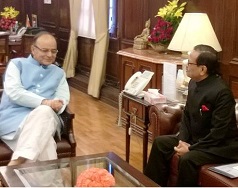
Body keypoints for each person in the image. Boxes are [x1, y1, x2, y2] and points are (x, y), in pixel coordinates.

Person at [144, 44, 238, 186]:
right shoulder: (193, 83)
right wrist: (182, 140)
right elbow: (187, 115)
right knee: (160, 143)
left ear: (202, 69)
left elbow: (219, 133)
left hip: (220, 146)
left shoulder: (221, 93)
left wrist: (191, 148)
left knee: (188, 159)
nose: (186, 65)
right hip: (197, 140)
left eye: (190, 62)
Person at [0, 31, 70, 166]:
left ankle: (15, 163)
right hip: (13, 123)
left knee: (44, 112)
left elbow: (63, 97)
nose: (50, 55)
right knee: (46, 144)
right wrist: (45, 102)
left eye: (54, 51)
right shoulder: (16, 64)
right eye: (45, 50)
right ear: (33, 49)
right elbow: (14, 92)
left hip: (45, 119)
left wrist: (59, 103)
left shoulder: (59, 73)